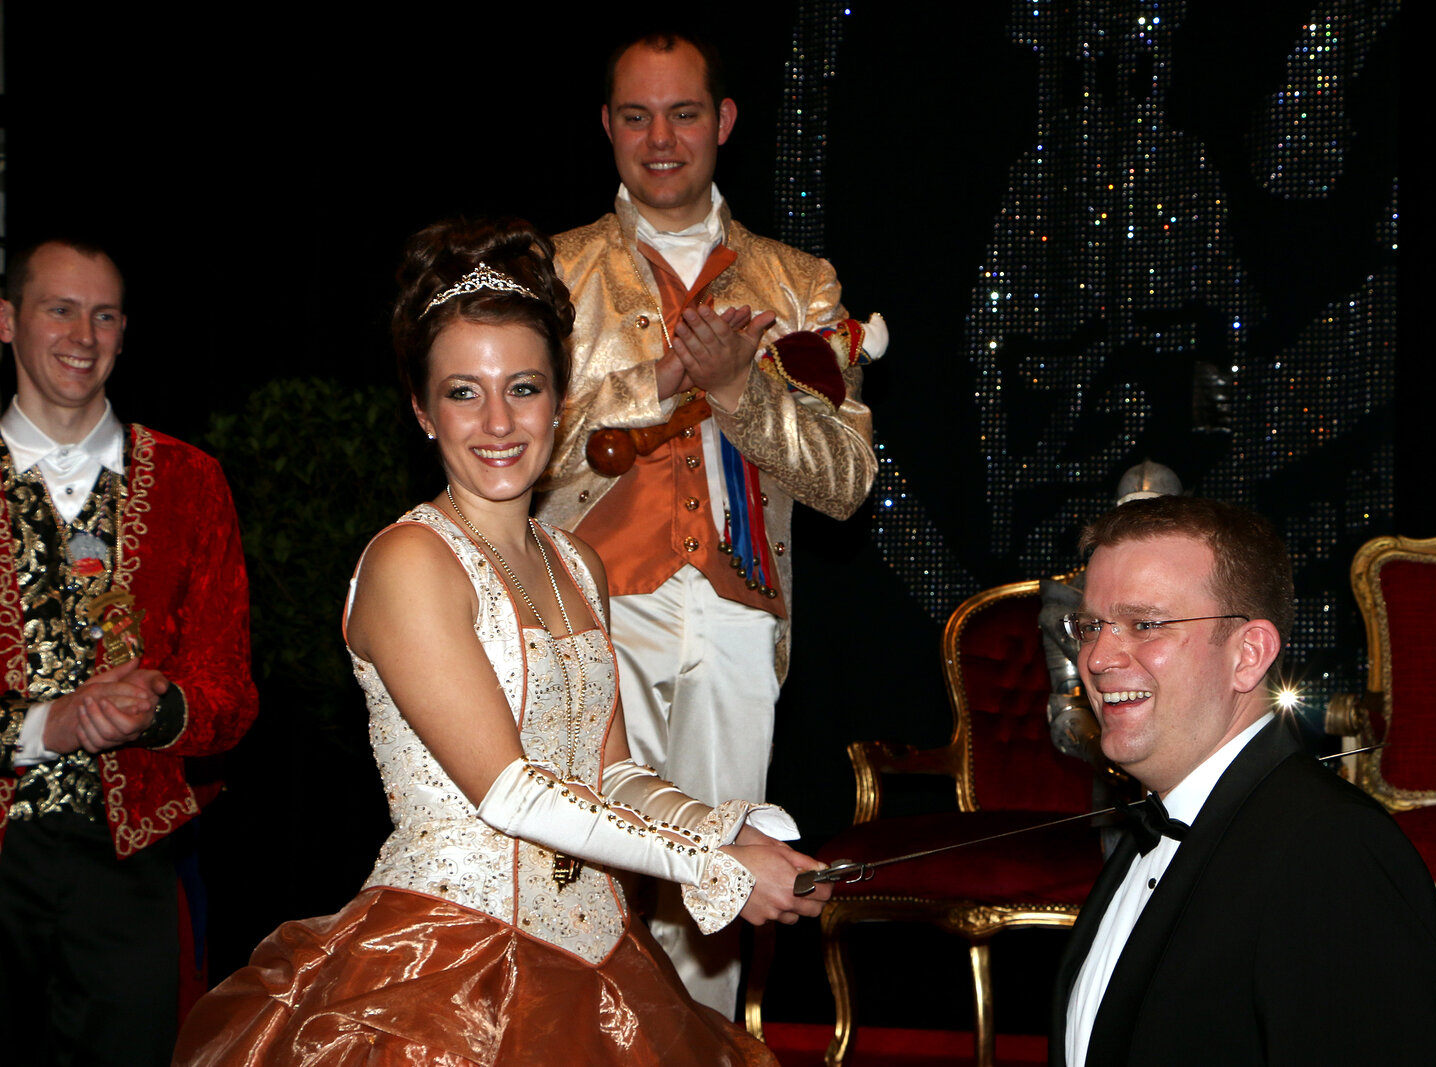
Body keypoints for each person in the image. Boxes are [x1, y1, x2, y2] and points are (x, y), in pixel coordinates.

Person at [173, 218, 830, 1066]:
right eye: (463, 392)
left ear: (560, 399)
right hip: (446, 966)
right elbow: (512, 793)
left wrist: (726, 827)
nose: (497, 421)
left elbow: (611, 773)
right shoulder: (409, 561)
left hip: (597, 958)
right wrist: (713, 863)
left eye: (523, 387)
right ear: (422, 410)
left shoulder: (578, 562)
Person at [538, 29, 878, 1016]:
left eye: (683, 113)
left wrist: (740, 391)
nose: (661, 139)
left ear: (723, 122)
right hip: (593, 612)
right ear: (607, 126)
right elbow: (513, 454)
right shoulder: (554, 273)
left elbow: (845, 482)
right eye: (637, 115)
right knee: (583, 889)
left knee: (717, 888)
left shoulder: (799, 283)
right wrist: (660, 380)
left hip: (736, 618)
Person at [1049, 496, 1436, 1067]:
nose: (1097, 657)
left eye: (1145, 624)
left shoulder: (1333, 853)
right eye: (1092, 626)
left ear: (1248, 654)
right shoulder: (1153, 827)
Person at [0, 238, 258, 1066]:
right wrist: (46, 727)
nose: (84, 335)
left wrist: (162, 707)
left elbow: (231, 691)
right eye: (60, 309)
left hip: (133, 857)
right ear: (7, 320)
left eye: (104, 315)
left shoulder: (192, 480)